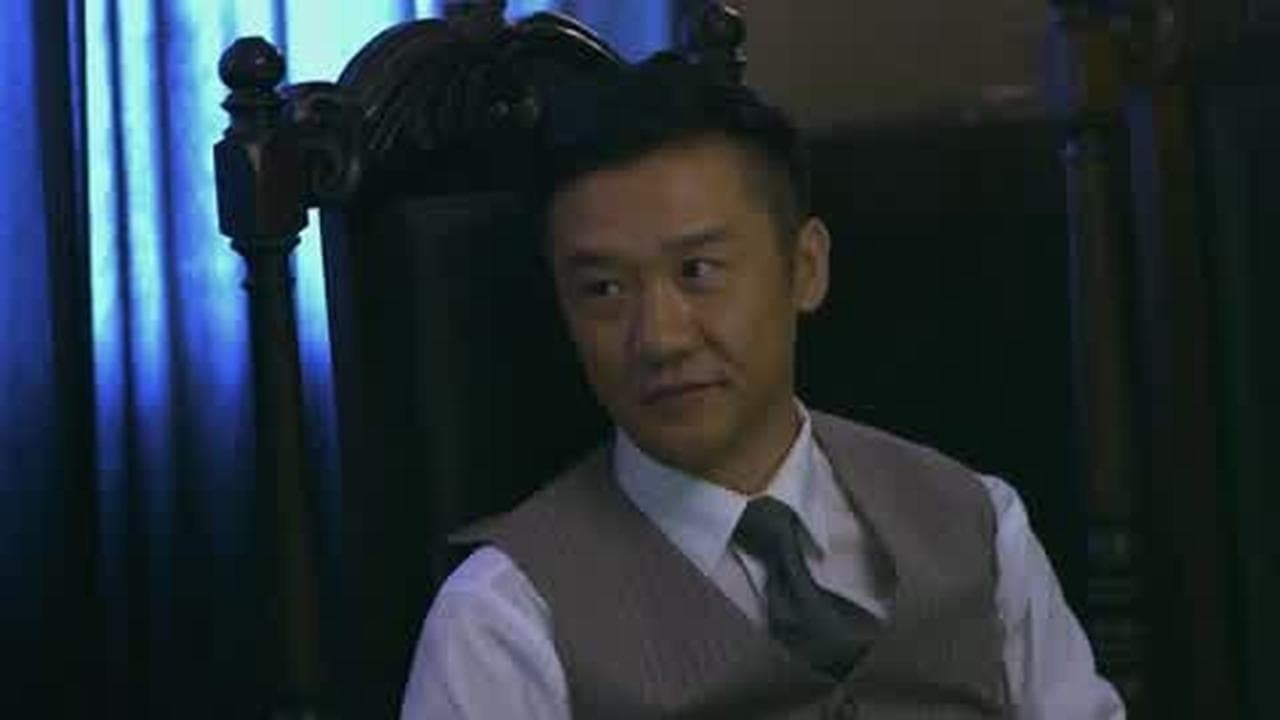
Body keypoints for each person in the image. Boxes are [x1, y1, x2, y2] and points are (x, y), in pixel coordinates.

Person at [400, 57, 1125, 719]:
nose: (660, 338)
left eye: (698, 272)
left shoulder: (978, 523)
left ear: (805, 268)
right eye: (604, 290)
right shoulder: (503, 620)